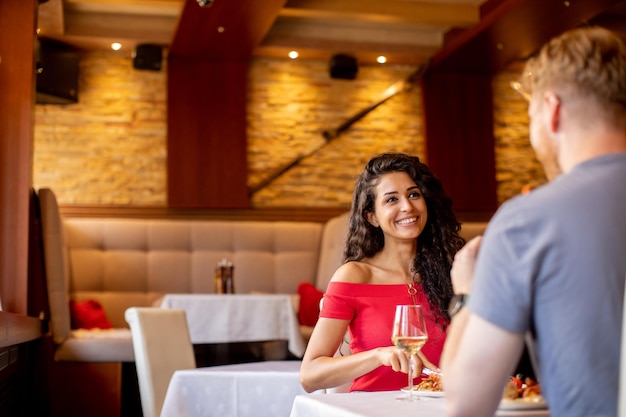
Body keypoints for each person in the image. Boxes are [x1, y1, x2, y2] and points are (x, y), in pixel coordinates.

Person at [441, 26, 626, 417]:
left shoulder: (528, 221)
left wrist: (467, 294)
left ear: (552, 109)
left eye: (531, 114)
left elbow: (464, 403)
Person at [300, 152, 465, 392]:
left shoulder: (453, 273)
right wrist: (378, 356)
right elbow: (309, 375)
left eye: (413, 195)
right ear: (372, 217)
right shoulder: (355, 276)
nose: (407, 206)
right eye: (391, 200)